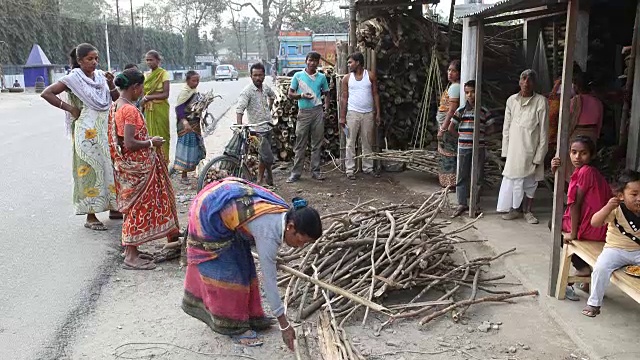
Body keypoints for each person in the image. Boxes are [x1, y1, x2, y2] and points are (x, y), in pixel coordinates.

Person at [182, 175, 322, 348]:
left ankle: (250, 316)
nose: (301, 246)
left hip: (223, 199)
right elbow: (270, 283)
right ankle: (232, 326)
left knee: (243, 259)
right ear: (291, 227)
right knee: (228, 271)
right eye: (302, 240)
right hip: (207, 212)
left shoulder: (285, 213)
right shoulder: (268, 233)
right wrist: (284, 324)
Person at [40, 43, 120, 231]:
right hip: (86, 133)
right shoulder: (72, 79)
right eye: (90, 59)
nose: (94, 62)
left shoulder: (101, 77)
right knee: (90, 170)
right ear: (80, 60)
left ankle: (113, 208)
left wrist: (110, 84)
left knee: (109, 168)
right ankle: (90, 216)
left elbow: (115, 99)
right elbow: (47, 93)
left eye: (96, 58)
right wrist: (70, 108)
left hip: (104, 129)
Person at [108, 68, 180, 270]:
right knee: (136, 209)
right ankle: (130, 255)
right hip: (137, 168)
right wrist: (151, 142)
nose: (142, 91)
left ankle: (133, 249)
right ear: (135, 87)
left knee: (133, 208)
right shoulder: (128, 110)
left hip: (129, 168)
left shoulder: (117, 105)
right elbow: (130, 143)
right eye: (141, 87)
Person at [550, 136, 612, 300]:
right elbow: (570, 195)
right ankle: (584, 273)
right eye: (574, 152)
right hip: (598, 224)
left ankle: (582, 268)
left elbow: (575, 204)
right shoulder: (586, 171)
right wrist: (555, 172)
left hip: (593, 226)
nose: (577, 157)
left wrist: (574, 233)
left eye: (583, 153)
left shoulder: (586, 172)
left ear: (591, 155)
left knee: (554, 225)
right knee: (559, 220)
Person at [582, 170, 640, 317]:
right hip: (615, 250)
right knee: (601, 268)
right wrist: (608, 206)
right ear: (621, 196)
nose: (639, 198)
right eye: (634, 195)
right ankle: (594, 303)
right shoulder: (616, 209)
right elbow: (595, 222)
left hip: (638, 251)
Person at [497, 69, 549, 224]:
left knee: (530, 183)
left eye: (530, 79)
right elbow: (506, 128)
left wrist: (540, 156)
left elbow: (544, 132)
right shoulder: (511, 101)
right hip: (514, 150)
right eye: (523, 78)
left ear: (535, 83)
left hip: (531, 149)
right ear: (519, 81)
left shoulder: (541, 101)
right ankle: (514, 209)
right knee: (514, 181)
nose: (526, 82)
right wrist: (505, 152)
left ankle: (528, 211)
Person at [449, 80, 496, 217]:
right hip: (464, 148)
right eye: (467, 92)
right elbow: (451, 128)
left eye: (473, 92)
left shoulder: (483, 111)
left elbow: (491, 128)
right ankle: (462, 203)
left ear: (478, 93)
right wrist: (461, 136)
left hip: (479, 148)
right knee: (462, 176)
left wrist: (481, 136)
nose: (470, 95)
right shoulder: (461, 111)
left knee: (478, 177)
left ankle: (475, 204)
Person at [286, 52, 330, 183]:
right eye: (310, 60)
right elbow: (290, 94)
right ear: (306, 61)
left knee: (317, 143)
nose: (313, 63)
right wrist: (301, 96)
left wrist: (326, 110)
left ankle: (315, 171)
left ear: (318, 63)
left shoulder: (321, 77)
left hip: (317, 111)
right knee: (300, 143)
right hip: (303, 112)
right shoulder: (298, 76)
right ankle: (295, 173)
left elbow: (327, 94)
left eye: (315, 61)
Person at [339, 52, 381, 180]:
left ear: (358, 62)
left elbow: (375, 94)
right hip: (352, 114)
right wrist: (342, 116)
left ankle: (368, 168)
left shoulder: (370, 76)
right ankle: (350, 170)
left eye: (350, 62)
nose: (349, 65)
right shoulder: (346, 78)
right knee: (350, 142)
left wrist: (378, 113)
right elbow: (344, 98)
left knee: (367, 142)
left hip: (368, 114)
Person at [236, 63, 276, 186]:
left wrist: (269, 109)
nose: (258, 78)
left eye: (260, 75)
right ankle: (259, 180)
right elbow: (239, 110)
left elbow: (273, 96)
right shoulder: (247, 92)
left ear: (264, 75)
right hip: (257, 130)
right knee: (266, 155)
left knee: (265, 156)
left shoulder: (265, 88)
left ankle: (269, 178)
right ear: (251, 76)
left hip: (268, 126)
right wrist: (240, 127)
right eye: (255, 75)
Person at [174, 70, 206, 184]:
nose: (196, 83)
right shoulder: (184, 92)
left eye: (198, 80)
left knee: (196, 147)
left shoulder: (194, 91)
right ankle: (183, 175)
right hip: (186, 125)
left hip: (195, 123)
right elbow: (179, 109)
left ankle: (197, 170)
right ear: (187, 81)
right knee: (186, 148)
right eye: (194, 80)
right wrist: (184, 121)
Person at [141, 50, 171, 165]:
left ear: (158, 61)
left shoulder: (163, 74)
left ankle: (164, 162)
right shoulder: (146, 75)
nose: (149, 62)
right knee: (150, 134)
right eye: (147, 60)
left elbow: (165, 94)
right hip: (149, 109)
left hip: (161, 108)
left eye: (151, 60)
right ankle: (153, 163)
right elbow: (143, 93)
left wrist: (149, 97)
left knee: (163, 134)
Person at [436, 60, 461, 188]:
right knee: (446, 154)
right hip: (444, 124)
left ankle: (450, 183)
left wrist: (443, 128)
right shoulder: (452, 86)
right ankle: (449, 182)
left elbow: (451, 110)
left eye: (454, 71)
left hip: (447, 127)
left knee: (449, 154)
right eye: (449, 70)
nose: (450, 73)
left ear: (459, 73)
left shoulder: (456, 87)